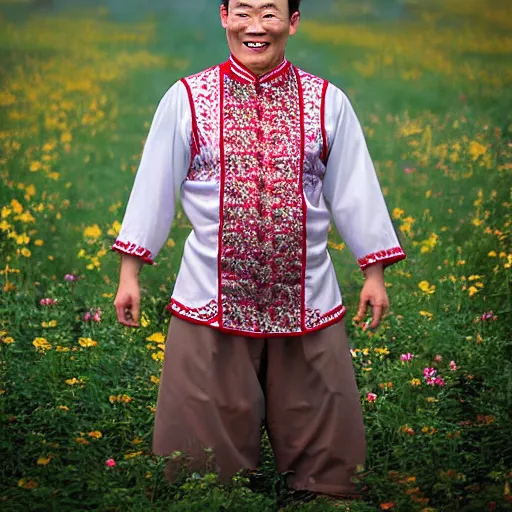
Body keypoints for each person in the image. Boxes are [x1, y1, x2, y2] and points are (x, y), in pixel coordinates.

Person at [112, 0, 406, 502]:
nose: (256, 27)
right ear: (223, 16)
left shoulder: (325, 101)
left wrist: (374, 271)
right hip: (211, 292)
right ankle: (213, 495)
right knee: (203, 436)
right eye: (243, 11)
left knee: (321, 421)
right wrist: (130, 272)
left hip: (307, 291)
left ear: (292, 22)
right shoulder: (187, 98)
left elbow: (355, 187)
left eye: (270, 13)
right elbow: (154, 185)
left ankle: (322, 492)